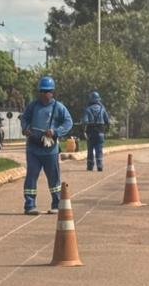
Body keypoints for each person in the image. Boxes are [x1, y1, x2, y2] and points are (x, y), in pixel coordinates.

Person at [20, 75, 73, 215]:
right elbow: (24, 118)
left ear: (52, 92)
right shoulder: (33, 106)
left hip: (50, 150)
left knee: (54, 177)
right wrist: (25, 128)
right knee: (31, 176)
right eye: (41, 91)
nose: (44, 95)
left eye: (46, 91)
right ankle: (30, 205)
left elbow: (68, 123)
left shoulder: (59, 108)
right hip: (33, 148)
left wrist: (56, 132)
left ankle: (56, 203)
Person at [82, 90, 111, 172]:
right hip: (100, 132)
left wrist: (84, 130)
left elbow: (85, 121)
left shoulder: (87, 109)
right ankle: (100, 165)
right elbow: (108, 121)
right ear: (99, 100)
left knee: (90, 150)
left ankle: (90, 166)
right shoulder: (102, 109)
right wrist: (107, 131)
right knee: (99, 149)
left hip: (90, 133)